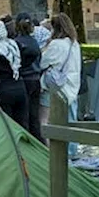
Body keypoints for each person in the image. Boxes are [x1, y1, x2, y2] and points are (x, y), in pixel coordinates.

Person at [39, 13, 82, 141]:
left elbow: (43, 63)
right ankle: (71, 150)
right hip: (72, 85)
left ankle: (50, 151)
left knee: (45, 118)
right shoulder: (75, 44)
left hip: (55, 86)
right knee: (70, 120)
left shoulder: (56, 44)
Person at [14, 12, 44, 140]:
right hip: (36, 80)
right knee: (34, 115)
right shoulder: (34, 42)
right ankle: (38, 140)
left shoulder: (16, 43)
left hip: (23, 80)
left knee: (23, 115)